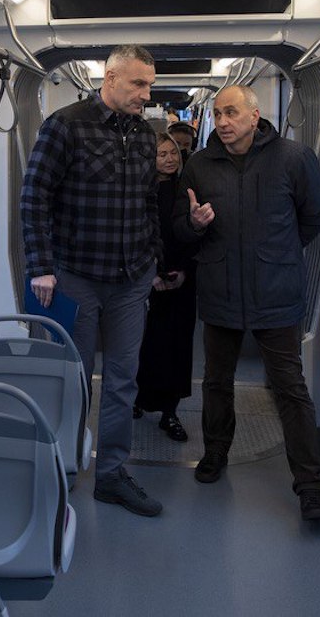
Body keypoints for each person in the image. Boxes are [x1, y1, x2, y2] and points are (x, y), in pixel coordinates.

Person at [172, 85, 320, 521]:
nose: (223, 122)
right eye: (218, 114)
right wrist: (194, 223)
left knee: (290, 388)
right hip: (220, 287)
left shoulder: (294, 158)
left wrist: (277, 254)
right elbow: (180, 229)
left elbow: (313, 217)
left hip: (275, 291)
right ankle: (215, 452)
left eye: (232, 112)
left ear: (254, 115)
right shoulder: (200, 165)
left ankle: (310, 486)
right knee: (216, 381)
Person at [21, 44, 164, 517]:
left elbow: (148, 201)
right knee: (73, 378)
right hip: (76, 275)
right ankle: (62, 466)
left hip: (130, 278)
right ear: (110, 78)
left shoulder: (145, 135)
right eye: (138, 84)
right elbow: (34, 196)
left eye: (150, 85)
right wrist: (41, 266)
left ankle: (111, 475)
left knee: (123, 380)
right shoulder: (66, 126)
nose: (146, 95)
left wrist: (154, 257)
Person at [134, 134, 196, 441]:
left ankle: (170, 412)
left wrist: (183, 271)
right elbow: (136, 237)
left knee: (177, 347)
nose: (170, 158)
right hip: (145, 281)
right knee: (144, 345)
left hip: (181, 279)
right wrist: (151, 276)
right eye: (162, 154)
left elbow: (194, 235)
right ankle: (138, 397)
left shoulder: (188, 190)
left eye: (173, 152)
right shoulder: (138, 192)